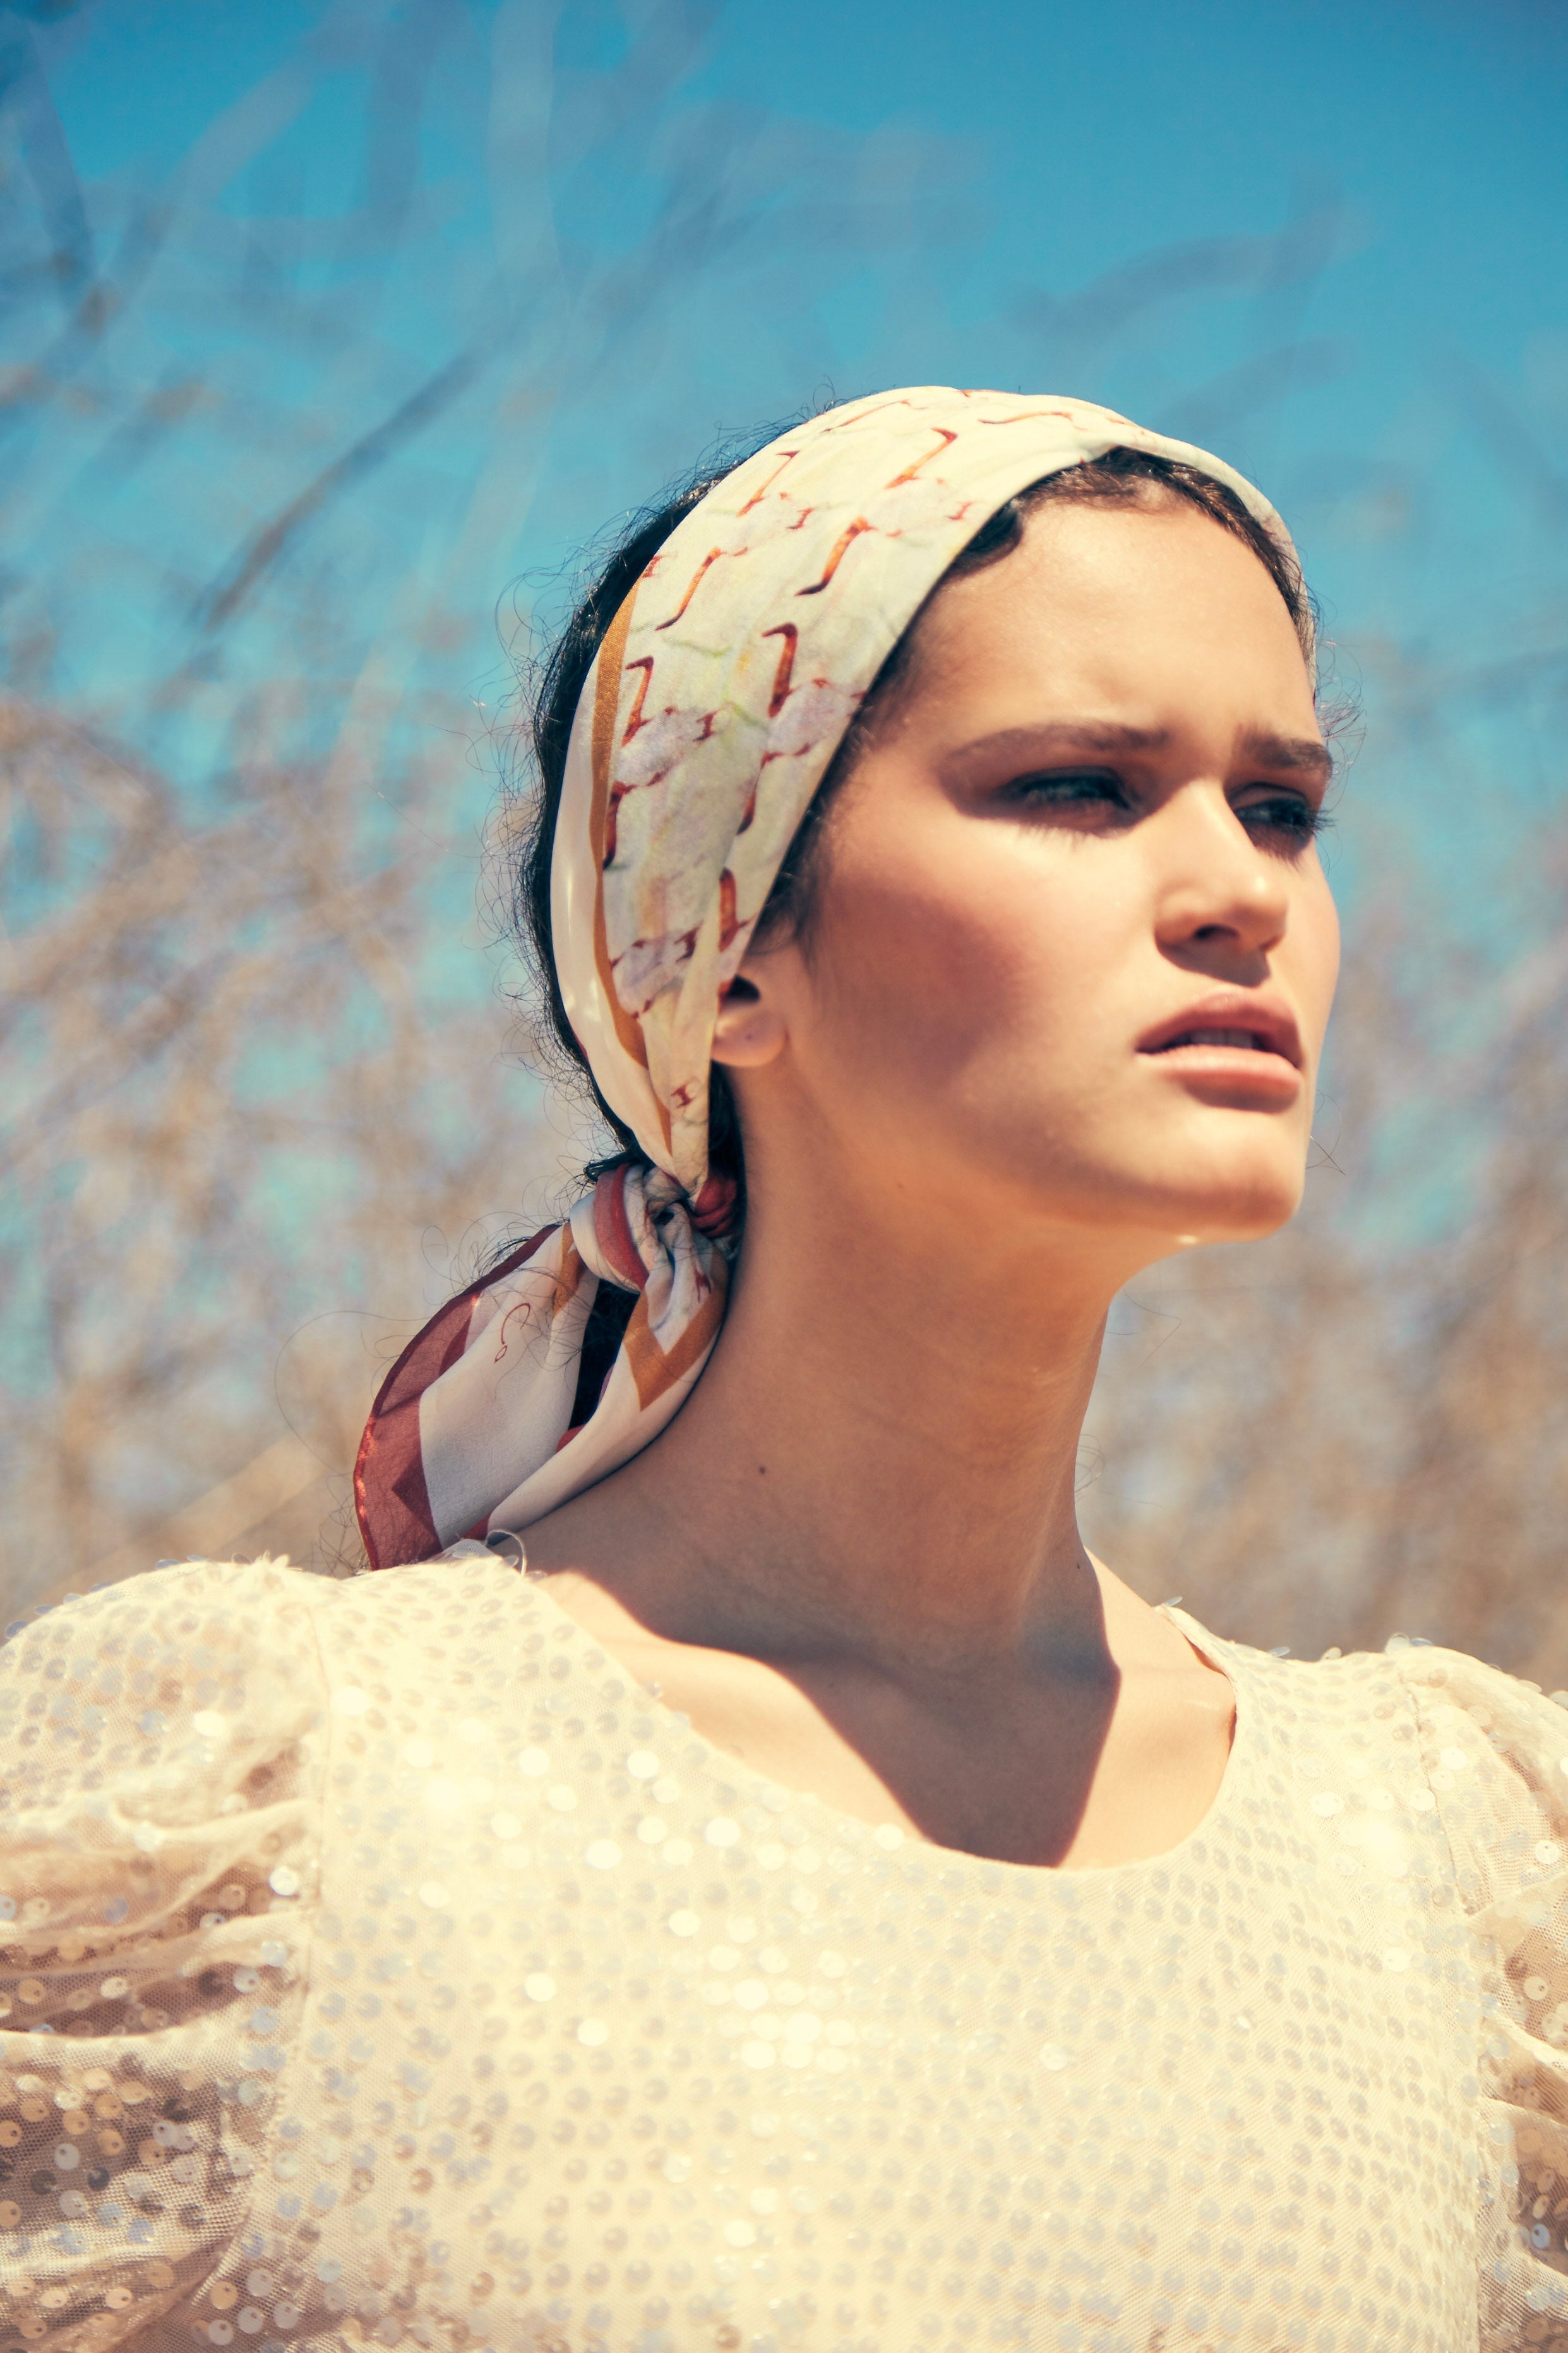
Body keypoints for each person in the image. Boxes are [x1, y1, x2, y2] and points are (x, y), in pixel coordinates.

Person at [5, 388, 1567, 2353]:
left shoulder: (1454, 1872)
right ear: (722, 943)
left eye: (1280, 808)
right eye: (1078, 787)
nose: (1242, 890)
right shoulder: (264, 1815)